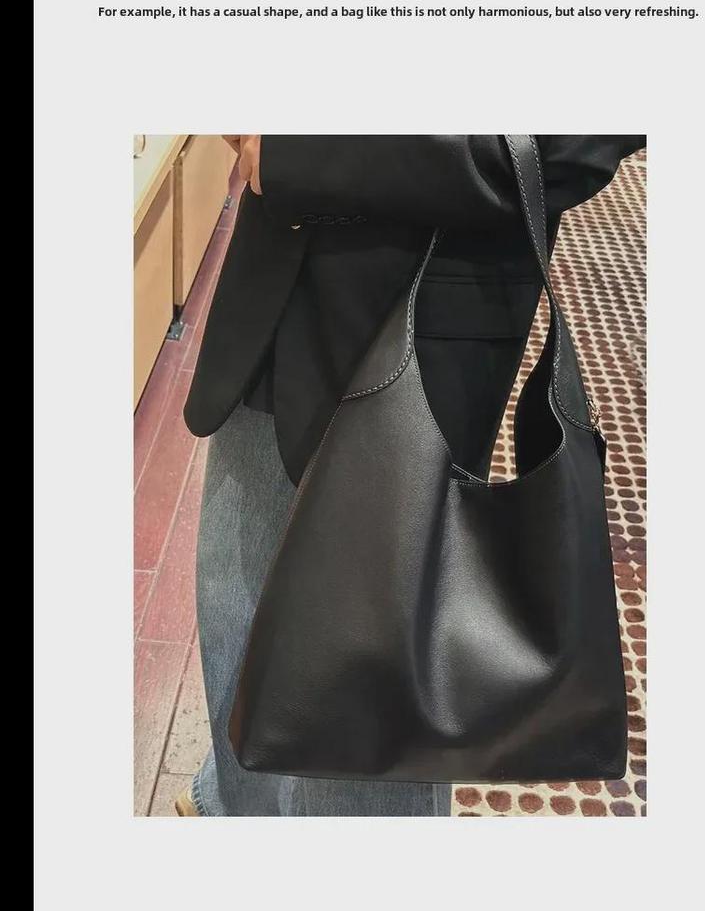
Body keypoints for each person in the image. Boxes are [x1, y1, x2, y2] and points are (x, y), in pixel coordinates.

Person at [175, 134, 645, 817]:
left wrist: (304, 151)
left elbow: (573, 140)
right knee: (235, 616)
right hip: (270, 297)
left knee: (371, 716)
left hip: (422, 327)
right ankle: (232, 807)